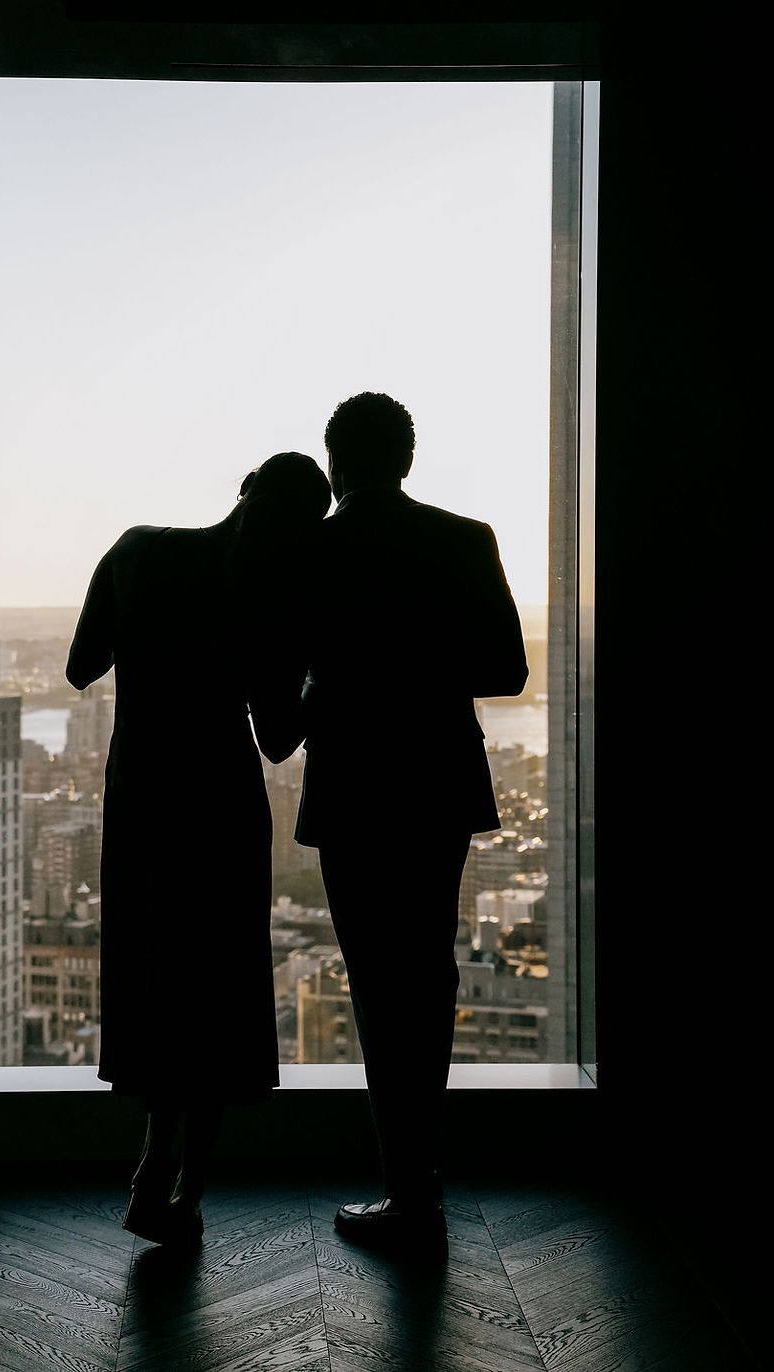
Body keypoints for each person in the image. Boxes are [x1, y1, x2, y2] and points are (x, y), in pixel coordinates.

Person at [66, 451, 331, 1245]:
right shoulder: (267, 597)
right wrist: (325, 663)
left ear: (243, 487)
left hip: (143, 796)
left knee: (156, 972)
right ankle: (184, 1189)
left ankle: (152, 1167)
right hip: (218, 803)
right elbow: (280, 740)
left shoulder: (138, 547)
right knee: (217, 981)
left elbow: (82, 666)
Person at [294, 392, 529, 1249]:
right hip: (435, 780)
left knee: (374, 982)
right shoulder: (465, 539)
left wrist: (339, 683)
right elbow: (506, 669)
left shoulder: (312, 549)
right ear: (408, 457)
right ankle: (419, 1187)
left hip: (354, 783)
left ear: (335, 461)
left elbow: (284, 699)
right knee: (427, 977)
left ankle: (407, 1191)